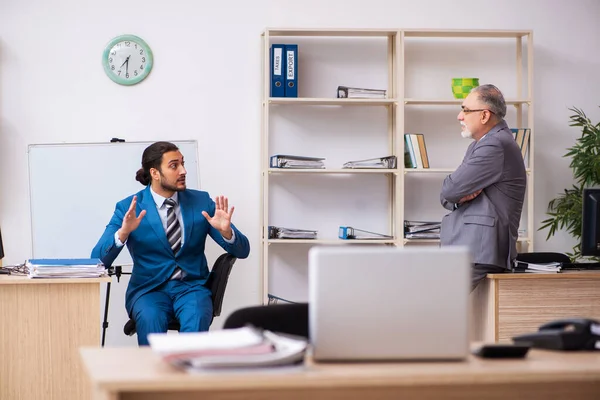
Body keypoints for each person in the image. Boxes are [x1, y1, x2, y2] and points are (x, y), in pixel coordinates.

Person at [92, 141, 250, 345]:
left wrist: (227, 232)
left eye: (183, 163)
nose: (183, 171)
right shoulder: (128, 207)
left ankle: (191, 375)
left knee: (197, 315)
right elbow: (97, 260)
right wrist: (122, 233)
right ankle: (153, 376)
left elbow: (243, 250)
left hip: (192, 288)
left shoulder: (201, 202)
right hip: (148, 290)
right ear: (155, 173)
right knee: (151, 318)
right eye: (174, 165)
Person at [439, 84, 526, 291]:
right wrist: (458, 196)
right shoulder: (482, 144)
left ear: (485, 115)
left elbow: (449, 190)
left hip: (479, 249)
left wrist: (456, 195)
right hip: (472, 248)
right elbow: (449, 195)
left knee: (431, 309)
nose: (460, 116)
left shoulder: (494, 145)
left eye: (466, 110)